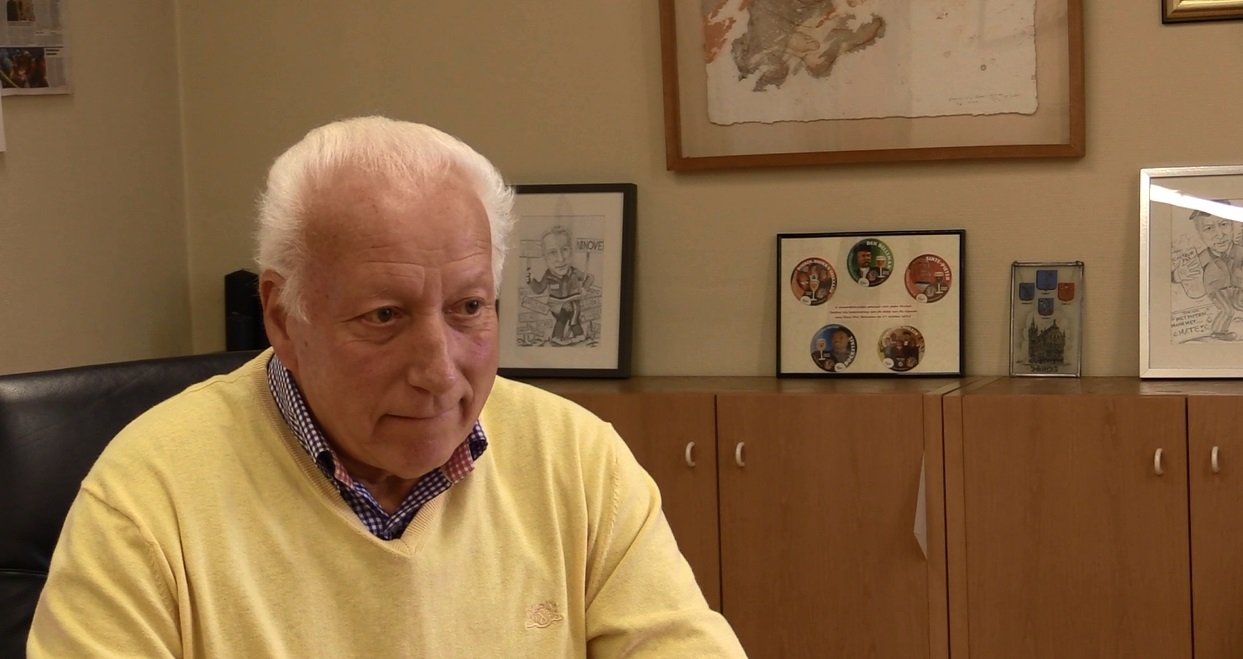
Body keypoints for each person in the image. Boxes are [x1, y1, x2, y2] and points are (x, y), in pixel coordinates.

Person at [28, 117, 745, 657]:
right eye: (383, 316)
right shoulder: (148, 497)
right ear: (282, 316)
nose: (439, 370)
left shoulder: (577, 459)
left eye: (469, 307)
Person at [527, 224, 593, 345]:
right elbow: (538, 289)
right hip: (556, 306)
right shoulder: (548, 276)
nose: (561, 259)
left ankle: (577, 335)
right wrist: (530, 281)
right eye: (552, 252)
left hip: (572, 304)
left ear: (571, 252)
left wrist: (585, 288)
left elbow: (589, 277)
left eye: (565, 250)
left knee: (572, 317)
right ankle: (559, 337)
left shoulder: (574, 272)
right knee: (562, 316)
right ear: (545, 257)